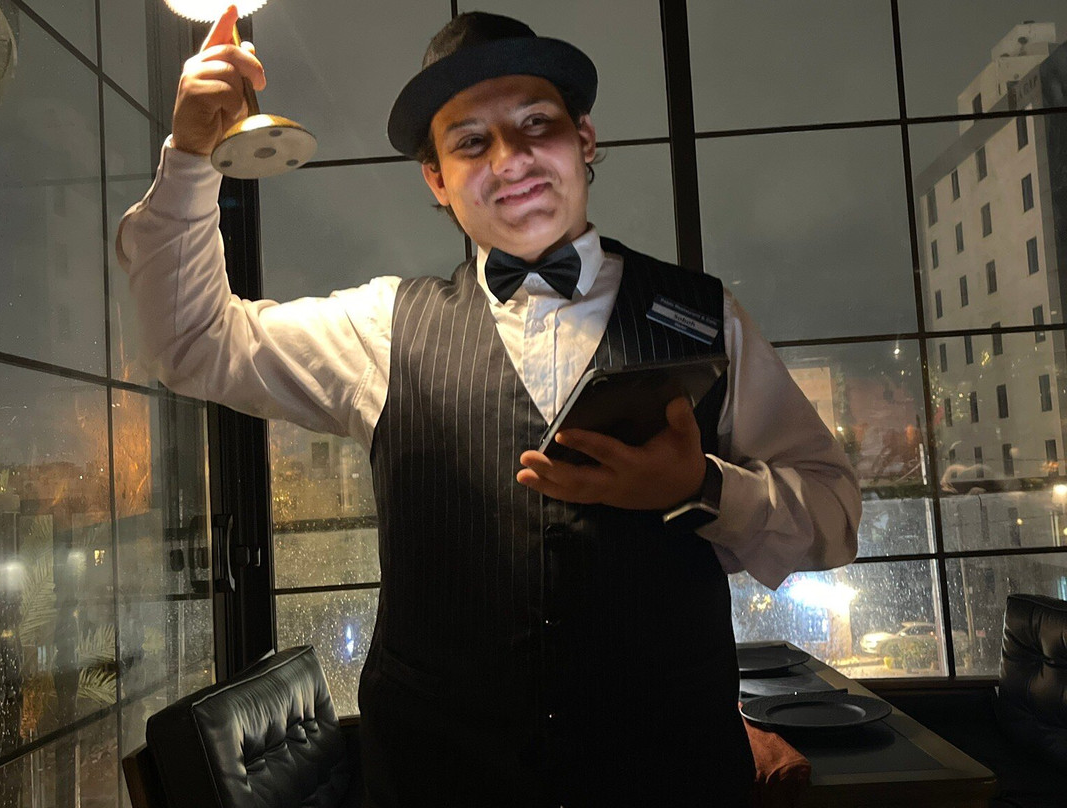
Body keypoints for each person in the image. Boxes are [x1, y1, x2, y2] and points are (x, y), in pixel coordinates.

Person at [117, 7, 861, 806]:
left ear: (585, 139)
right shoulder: (380, 329)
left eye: (537, 123)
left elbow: (833, 515)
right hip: (439, 781)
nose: (511, 158)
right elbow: (192, 339)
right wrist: (191, 157)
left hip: (671, 776)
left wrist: (702, 487)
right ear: (437, 180)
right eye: (471, 141)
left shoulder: (703, 316)